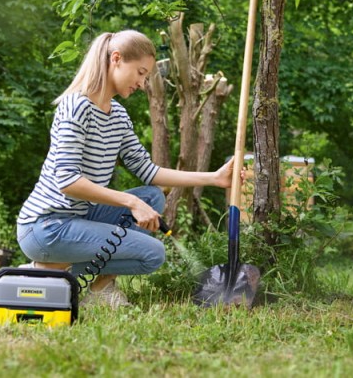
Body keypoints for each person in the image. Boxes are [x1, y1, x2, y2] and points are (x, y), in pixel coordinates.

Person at [16, 29, 237, 308]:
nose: (142, 84)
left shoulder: (118, 116)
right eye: (141, 73)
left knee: (152, 197)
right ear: (116, 59)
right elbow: (68, 182)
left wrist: (215, 177)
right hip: (46, 226)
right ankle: (46, 270)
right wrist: (130, 202)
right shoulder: (76, 107)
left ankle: (97, 288)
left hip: (79, 217)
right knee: (153, 254)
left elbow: (148, 171)